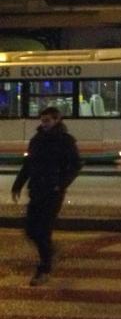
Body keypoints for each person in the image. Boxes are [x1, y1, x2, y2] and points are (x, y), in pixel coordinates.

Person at [11, 106, 81, 286]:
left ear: (57, 120)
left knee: (42, 230)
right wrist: (18, 185)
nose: (44, 124)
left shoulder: (65, 141)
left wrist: (61, 184)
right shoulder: (37, 139)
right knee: (30, 230)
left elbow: (75, 165)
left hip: (53, 193)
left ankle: (44, 268)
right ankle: (49, 252)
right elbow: (28, 164)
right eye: (42, 121)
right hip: (36, 190)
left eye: (48, 120)